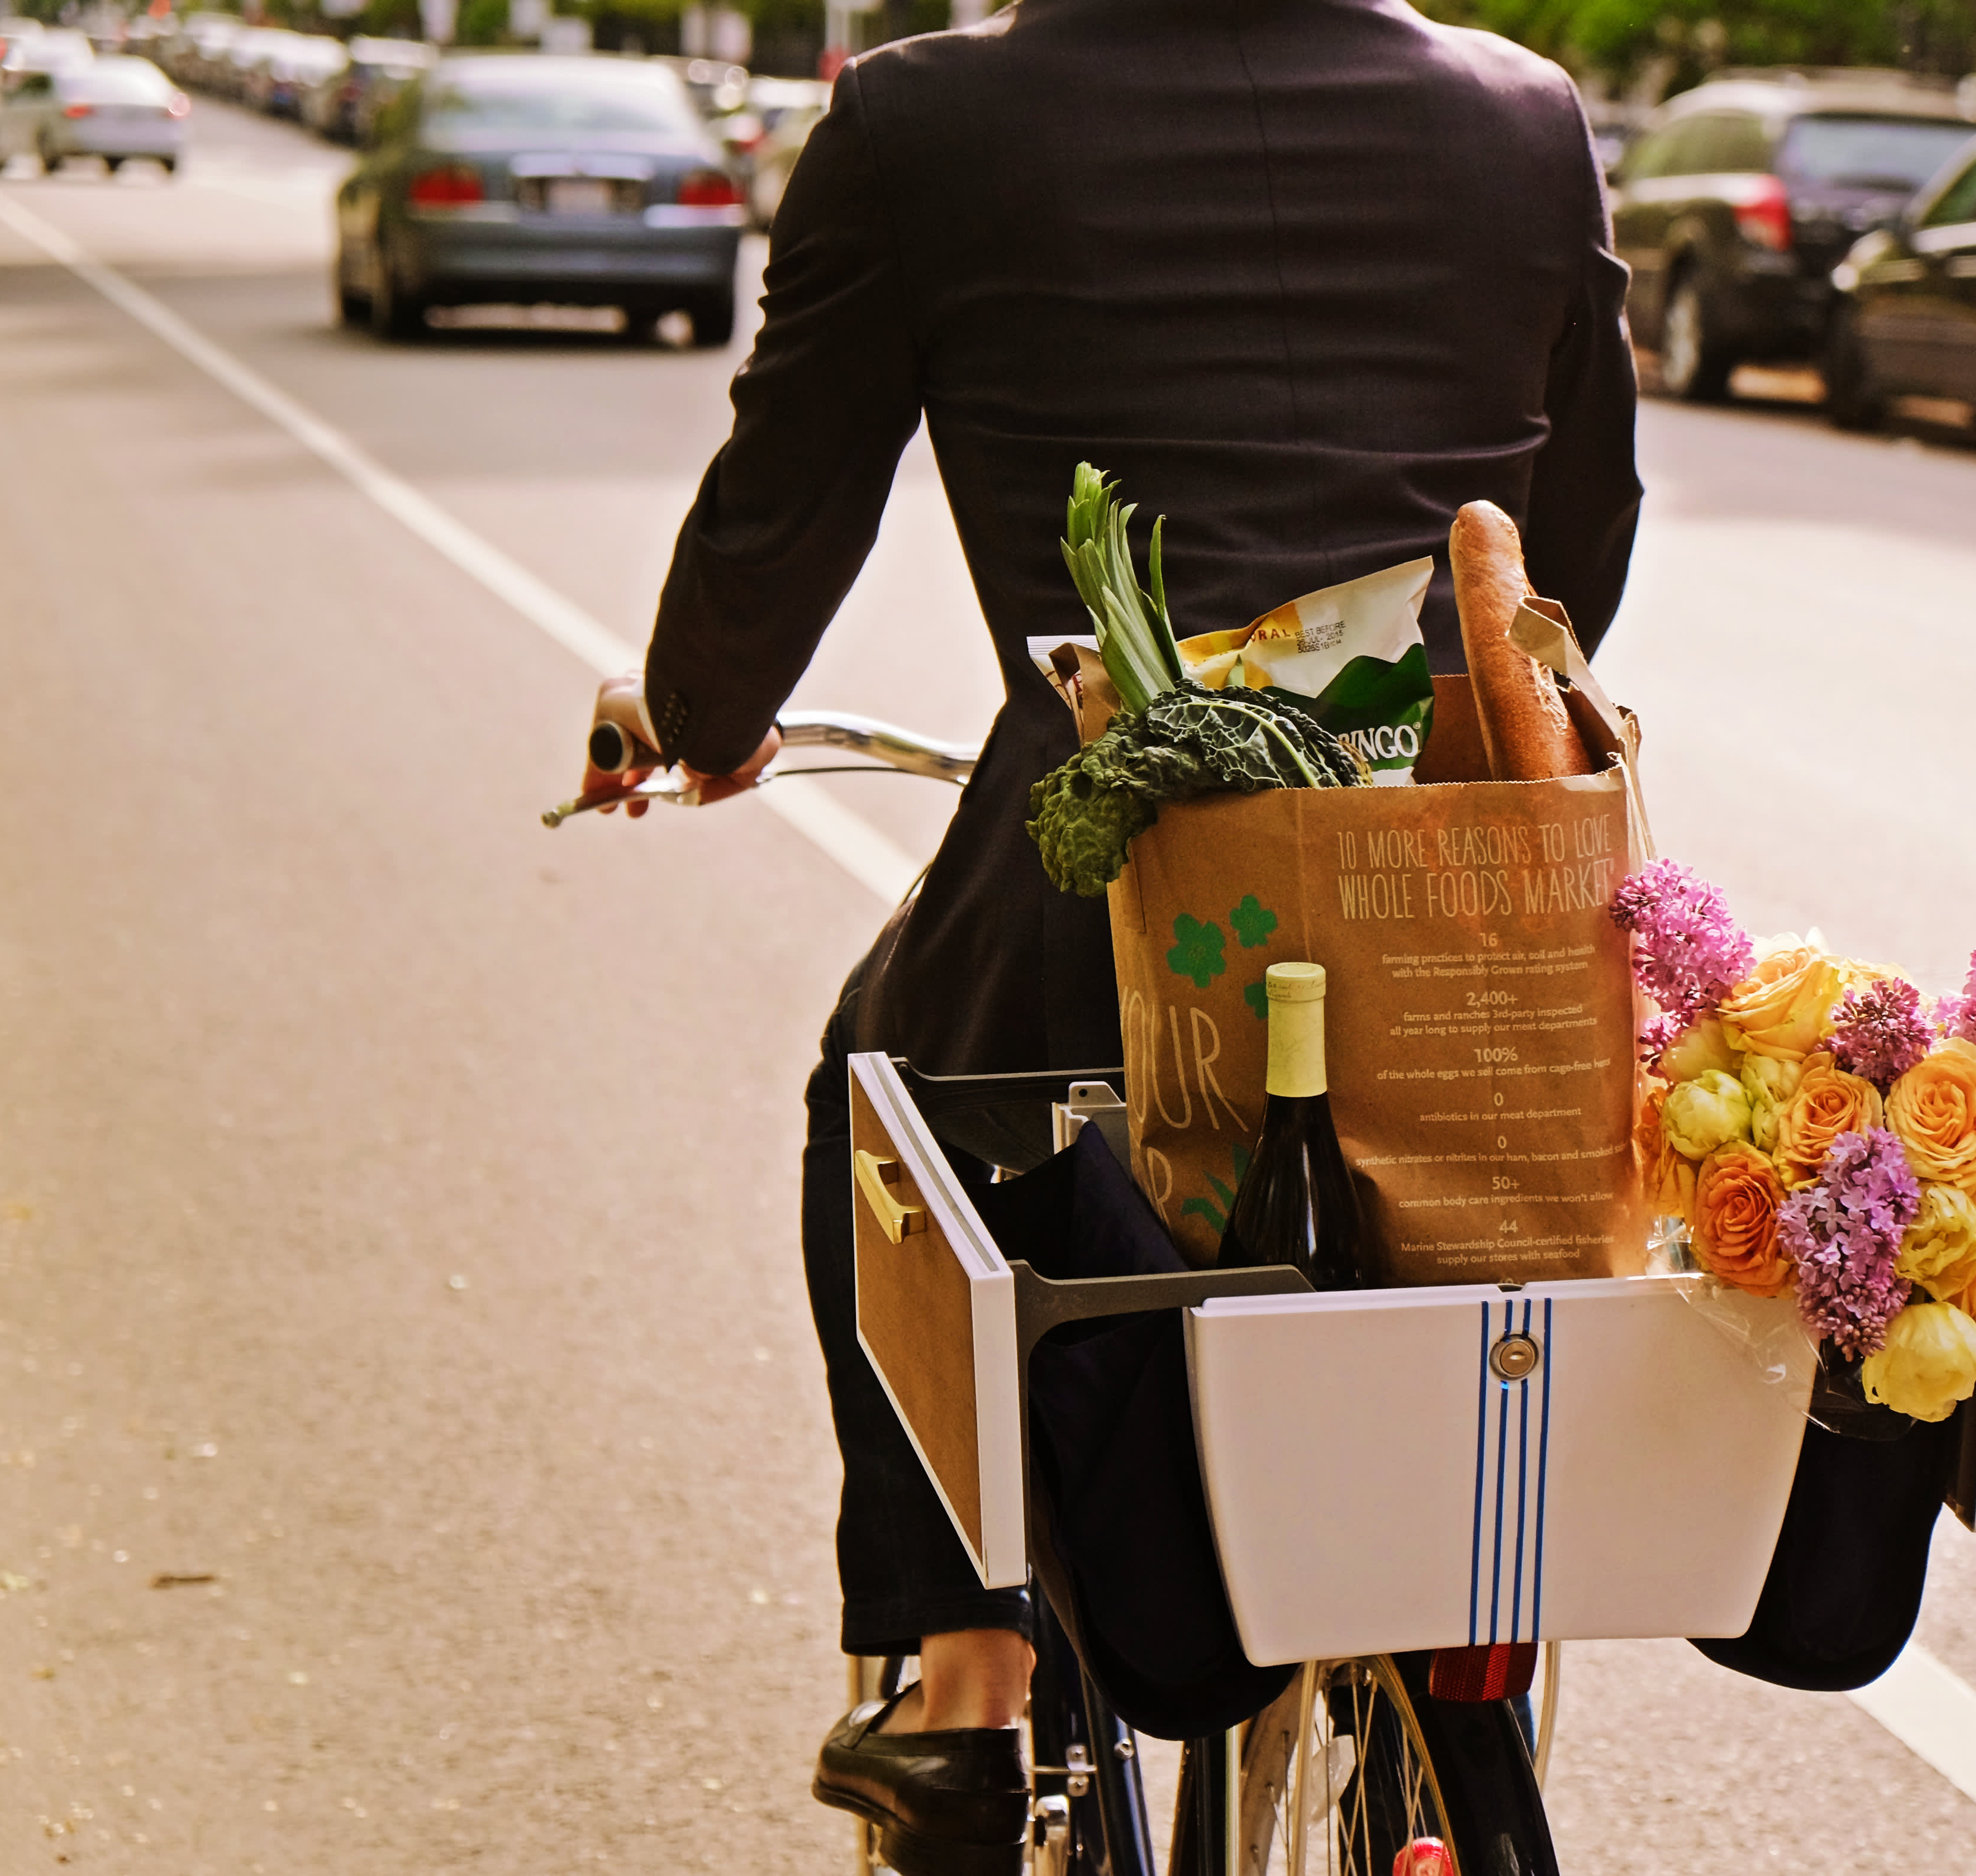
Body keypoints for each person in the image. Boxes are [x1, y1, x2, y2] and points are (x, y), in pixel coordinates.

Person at [586, 0, 1640, 1865]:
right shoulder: (1523, 115)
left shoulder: (924, 123)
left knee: (879, 1100)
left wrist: (699, 711)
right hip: (1459, 915)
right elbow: (1577, 555)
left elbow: (783, 505)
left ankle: (972, 1676)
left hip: (1096, 908)